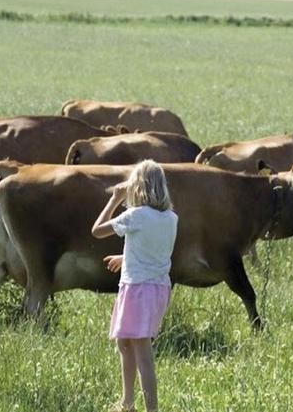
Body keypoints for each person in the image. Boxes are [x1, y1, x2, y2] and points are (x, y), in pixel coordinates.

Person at [91, 160, 177, 412]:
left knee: (142, 352)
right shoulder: (171, 218)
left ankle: (151, 409)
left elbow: (97, 231)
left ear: (137, 187)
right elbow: (155, 250)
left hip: (138, 289)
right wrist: (125, 257)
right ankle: (127, 401)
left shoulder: (135, 215)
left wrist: (115, 199)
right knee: (125, 342)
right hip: (156, 288)